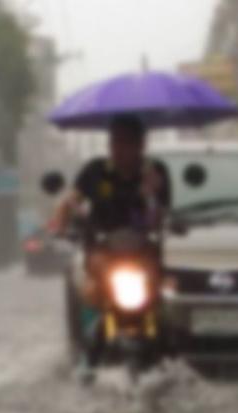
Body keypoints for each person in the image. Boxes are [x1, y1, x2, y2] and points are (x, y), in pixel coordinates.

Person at [49, 114, 172, 380]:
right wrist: (61, 218)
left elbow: (161, 218)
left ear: (141, 145)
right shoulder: (95, 171)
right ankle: (86, 358)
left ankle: (171, 357)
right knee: (96, 293)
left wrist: (152, 195)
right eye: (115, 142)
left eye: (127, 143)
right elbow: (71, 199)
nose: (119, 149)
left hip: (144, 255)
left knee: (164, 302)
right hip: (103, 254)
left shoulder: (156, 172)